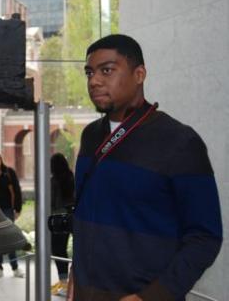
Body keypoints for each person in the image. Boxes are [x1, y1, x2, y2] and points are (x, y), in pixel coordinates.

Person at [69, 34, 222, 301]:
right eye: (90, 72)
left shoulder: (180, 141)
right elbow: (86, 216)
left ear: (139, 74)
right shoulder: (91, 136)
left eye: (107, 70)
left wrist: (153, 296)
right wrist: (75, 274)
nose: (94, 81)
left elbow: (205, 237)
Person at [0, 152, 24, 279]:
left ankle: (15, 268)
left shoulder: (9, 172)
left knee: (9, 237)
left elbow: (17, 190)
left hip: (8, 209)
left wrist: (17, 209)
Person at [49, 153, 74, 297]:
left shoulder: (53, 181)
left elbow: (51, 202)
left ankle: (64, 282)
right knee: (74, 250)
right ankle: (71, 283)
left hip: (59, 219)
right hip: (73, 217)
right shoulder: (71, 177)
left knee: (58, 250)